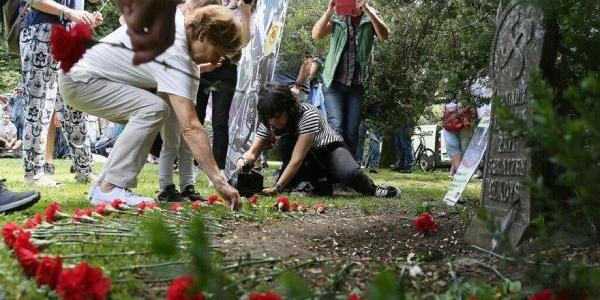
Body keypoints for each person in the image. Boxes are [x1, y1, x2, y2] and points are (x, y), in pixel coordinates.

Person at [58, 5, 243, 208]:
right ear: (202, 36)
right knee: (152, 109)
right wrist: (219, 181)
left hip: (80, 75)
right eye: (217, 53)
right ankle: (110, 188)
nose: (217, 61)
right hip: (82, 79)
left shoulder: (173, 25)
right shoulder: (175, 51)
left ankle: (103, 185)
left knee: (154, 108)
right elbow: (191, 127)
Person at [237, 82, 400, 198]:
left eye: (277, 116)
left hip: (328, 152)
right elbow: (253, 152)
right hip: (307, 162)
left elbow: (296, 159)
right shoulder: (270, 119)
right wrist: (242, 163)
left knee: (350, 174)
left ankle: (374, 189)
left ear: (288, 107)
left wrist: (278, 187)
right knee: (286, 143)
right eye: (269, 118)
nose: (273, 122)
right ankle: (310, 184)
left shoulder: (308, 114)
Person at [19, 0, 101, 187]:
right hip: (41, 30)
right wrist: (69, 13)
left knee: (75, 105)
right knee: (39, 105)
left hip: (72, 36)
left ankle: (84, 169)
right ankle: (34, 174)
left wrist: (85, 17)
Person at [312, 0, 389, 156]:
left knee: (352, 133)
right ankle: (333, 170)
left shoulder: (370, 16)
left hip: (356, 85)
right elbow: (316, 35)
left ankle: (349, 172)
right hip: (333, 83)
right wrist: (329, 11)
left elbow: (384, 36)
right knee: (336, 126)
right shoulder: (339, 17)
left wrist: (368, 10)